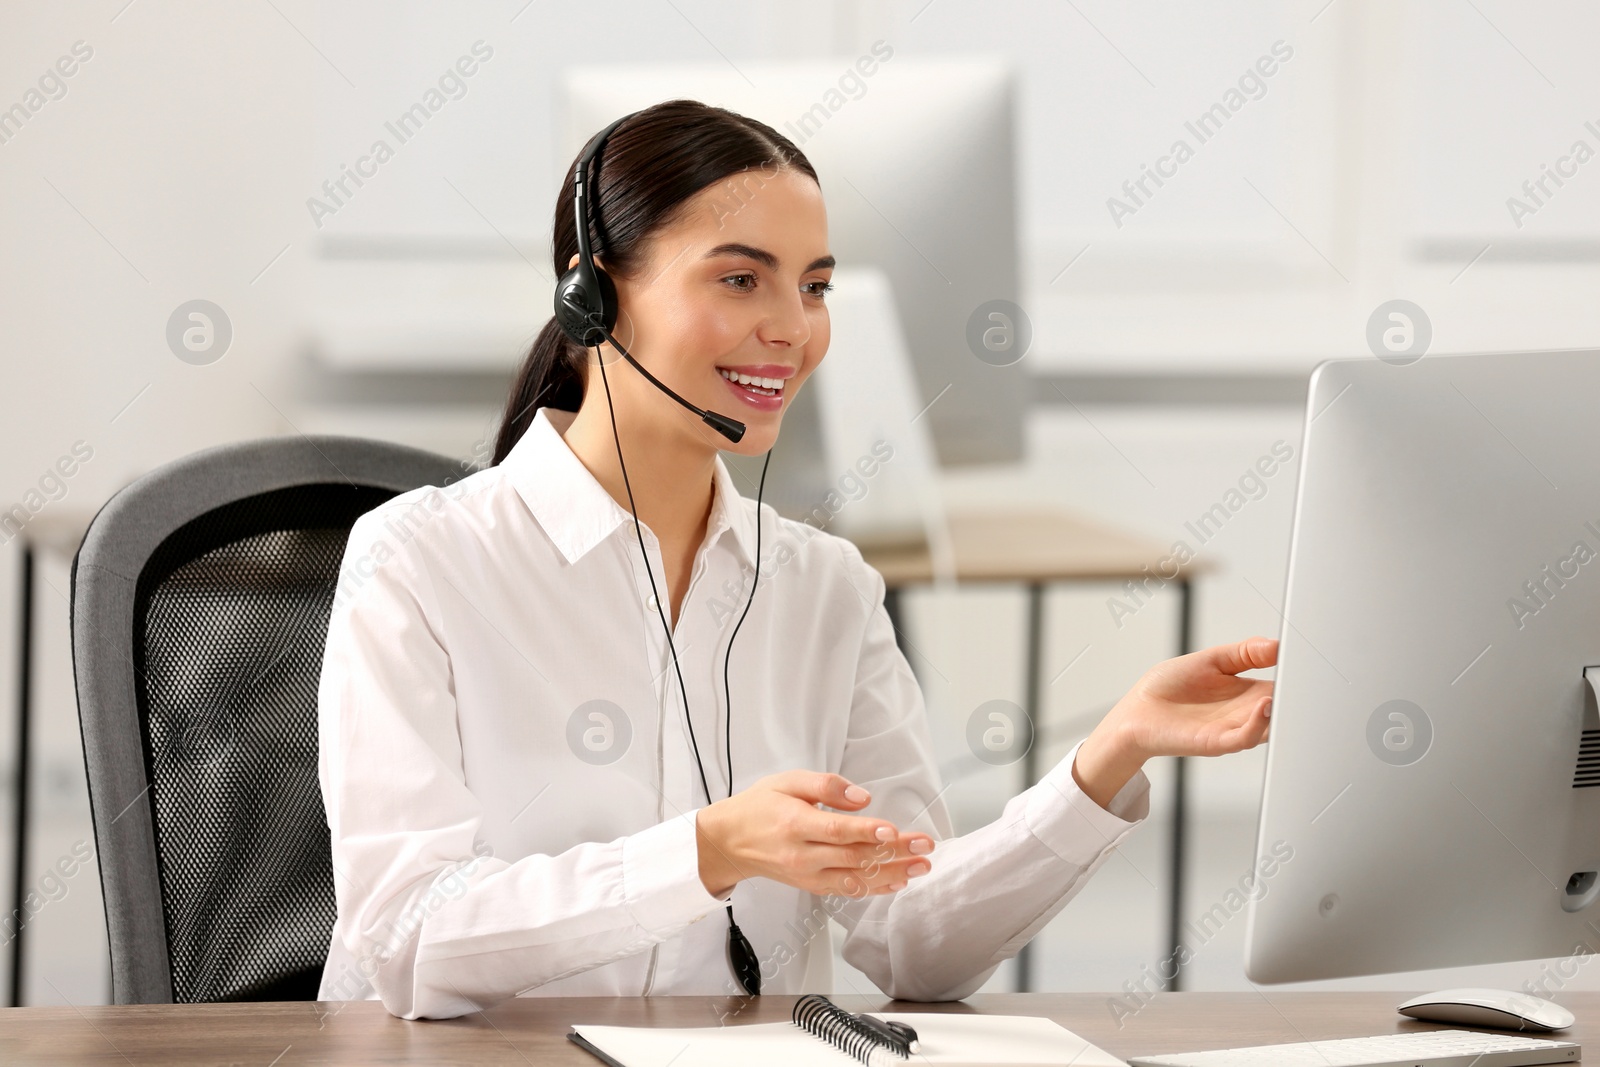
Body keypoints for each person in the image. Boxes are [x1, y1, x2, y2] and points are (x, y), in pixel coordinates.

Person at [315, 98, 1276, 1020]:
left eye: (815, 286)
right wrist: (707, 851)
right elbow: (406, 935)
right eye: (742, 278)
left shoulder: (825, 589)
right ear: (594, 294)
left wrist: (1111, 755)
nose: (794, 327)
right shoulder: (420, 560)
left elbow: (910, 939)